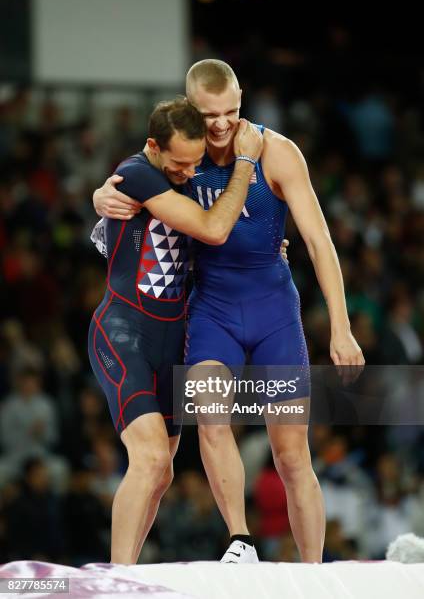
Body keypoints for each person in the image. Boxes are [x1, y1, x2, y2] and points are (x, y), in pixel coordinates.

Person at [93, 60, 365, 564]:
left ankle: (313, 572)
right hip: (211, 310)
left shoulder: (277, 152)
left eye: (231, 112)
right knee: (211, 419)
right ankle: (240, 541)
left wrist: (342, 327)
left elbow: (319, 241)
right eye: (209, 114)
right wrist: (102, 194)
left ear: (243, 100)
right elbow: (129, 181)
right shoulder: (179, 155)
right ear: (190, 107)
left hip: (274, 312)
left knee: (291, 455)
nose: (220, 125)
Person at [88, 96, 263, 564]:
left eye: (195, 162)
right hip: (124, 332)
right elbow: (212, 228)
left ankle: (126, 570)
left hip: (173, 341)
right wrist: (245, 163)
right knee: (146, 459)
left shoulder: (187, 174)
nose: (188, 172)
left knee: (161, 473)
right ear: (153, 146)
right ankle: (118, 578)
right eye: (180, 163)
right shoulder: (141, 171)